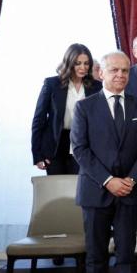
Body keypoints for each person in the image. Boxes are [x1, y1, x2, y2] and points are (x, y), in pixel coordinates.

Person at [71, 51, 137, 273]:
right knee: (96, 256)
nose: (120, 75)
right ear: (101, 73)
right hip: (96, 192)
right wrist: (108, 180)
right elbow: (80, 151)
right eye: (114, 71)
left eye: (125, 71)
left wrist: (129, 179)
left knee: (125, 255)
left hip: (130, 191)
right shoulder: (85, 107)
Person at [32, 43, 102, 175]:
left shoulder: (97, 87)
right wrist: (37, 155)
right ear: (69, 63)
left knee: (79, 188)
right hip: (56, 145)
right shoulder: (52, 84)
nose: (83, 67)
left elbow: (101, 121)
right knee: (58, 189)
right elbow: (38, 120)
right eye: (78, 63)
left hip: (83, 143)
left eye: (86, 63)